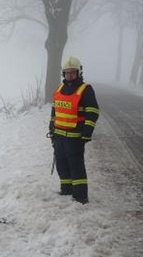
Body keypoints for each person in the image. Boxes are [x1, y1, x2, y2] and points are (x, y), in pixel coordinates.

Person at [48, 56, 100, 204]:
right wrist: (51, 128)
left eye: (72, 72)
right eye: (67, 72)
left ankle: (80, 196)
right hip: (59, 136)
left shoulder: (85, 90)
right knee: (62, 164)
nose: (69, 75)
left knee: (76, 166)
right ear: (63, 73)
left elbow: (93, 111)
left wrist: (87, 132)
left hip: (75, 137)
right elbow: (54, 111)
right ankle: (66, 190)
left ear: (78, 73)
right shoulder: (59, 89)